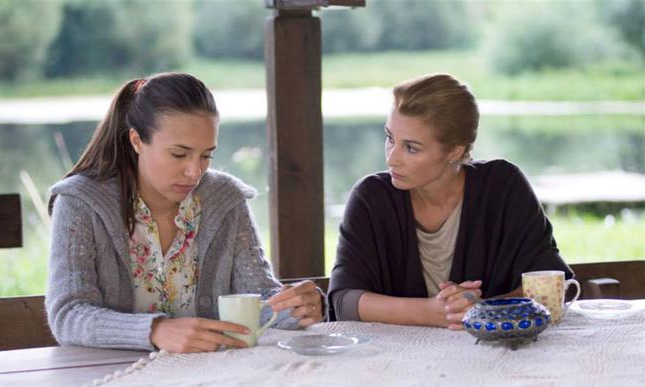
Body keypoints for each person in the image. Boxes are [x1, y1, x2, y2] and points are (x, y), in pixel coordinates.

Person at [46, 72, 325, 353]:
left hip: (214, 379)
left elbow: (260, 300)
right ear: (137, 141)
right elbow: (68, 315)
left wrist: (295, 307)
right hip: (107, 377)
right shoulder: (80, 202)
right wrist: (155, 331)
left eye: (206, 155)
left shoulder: (226, 199)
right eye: (179, 154)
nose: (195, 172)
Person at [328, 73, 572, 329]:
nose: (391, 159)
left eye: (411, 148)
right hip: (395, 360)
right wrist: (432, 312)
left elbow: (548, 283)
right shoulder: (371, 198)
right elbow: (345, 301)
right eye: (390, 138)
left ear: (455, 151)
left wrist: (479, 310)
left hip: (494, 354)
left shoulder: (503, 186)